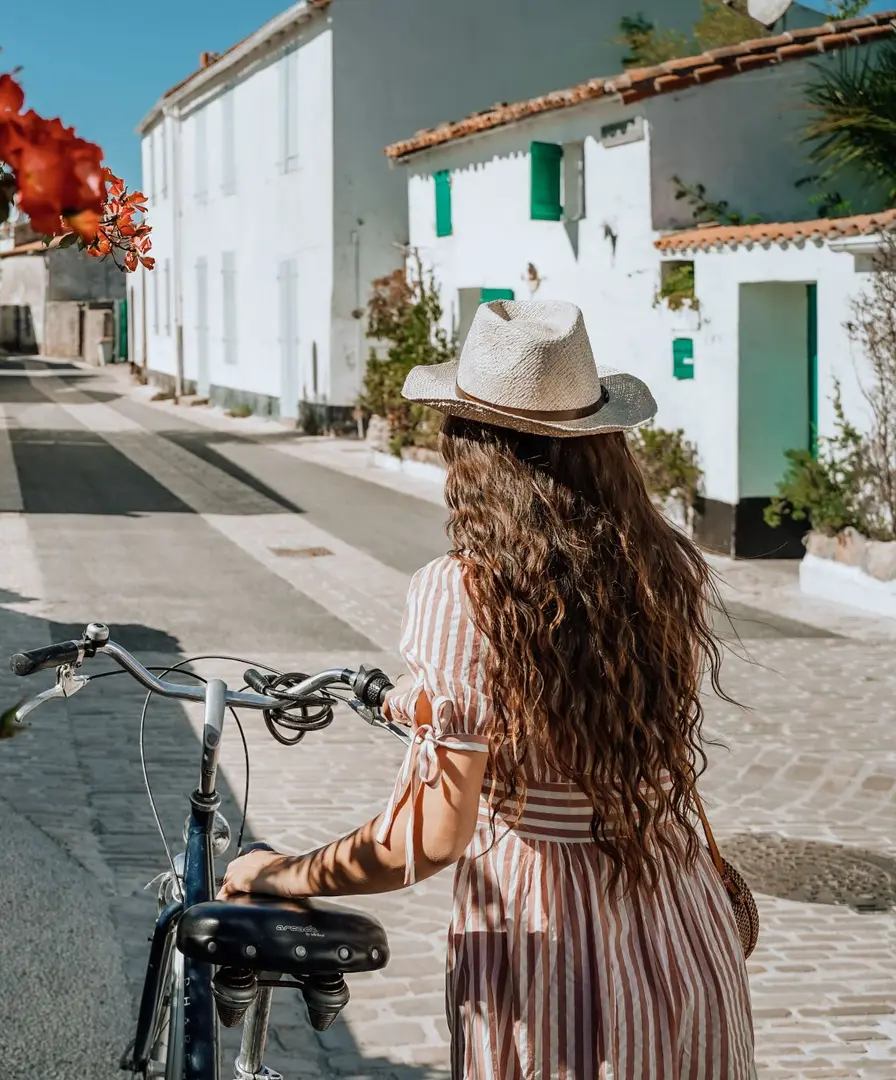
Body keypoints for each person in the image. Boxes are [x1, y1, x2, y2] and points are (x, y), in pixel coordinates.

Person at [219, 299, 755, 1079]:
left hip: (558, 952)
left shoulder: (466, 595)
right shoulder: (661, 568)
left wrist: (279, 872)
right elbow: (565, 703)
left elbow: (428, 838)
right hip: (682, 932)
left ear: (472, 447)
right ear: (599, 441)